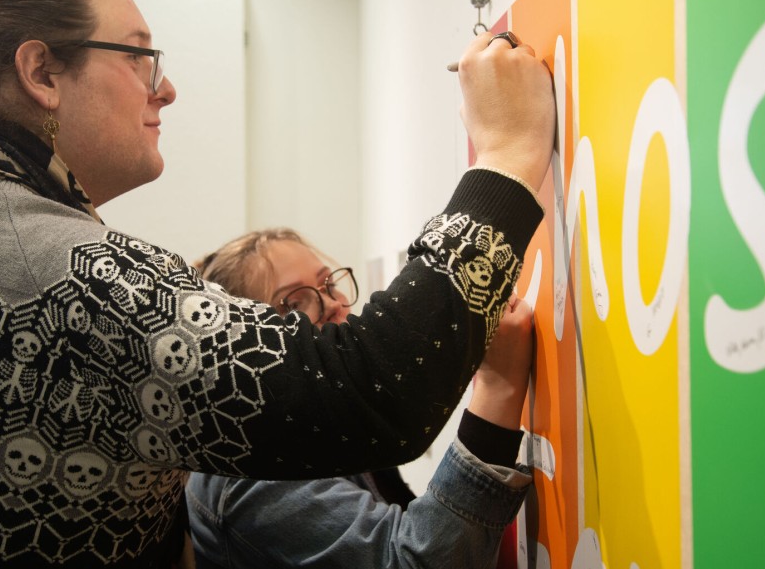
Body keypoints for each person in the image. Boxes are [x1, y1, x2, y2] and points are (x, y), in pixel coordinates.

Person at [0, 0, 555, 568]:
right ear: (40, 73)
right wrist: (507, 156)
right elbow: (368, 390)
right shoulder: (80, 279)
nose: (166, 91)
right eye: (139, 57)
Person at [186, 228, 534, 569]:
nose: (335, 305)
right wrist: (498, 386)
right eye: (294, 303)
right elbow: (413, 559)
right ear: (247, 349)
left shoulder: (327, 421)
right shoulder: (249, 472)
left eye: (328, 284)